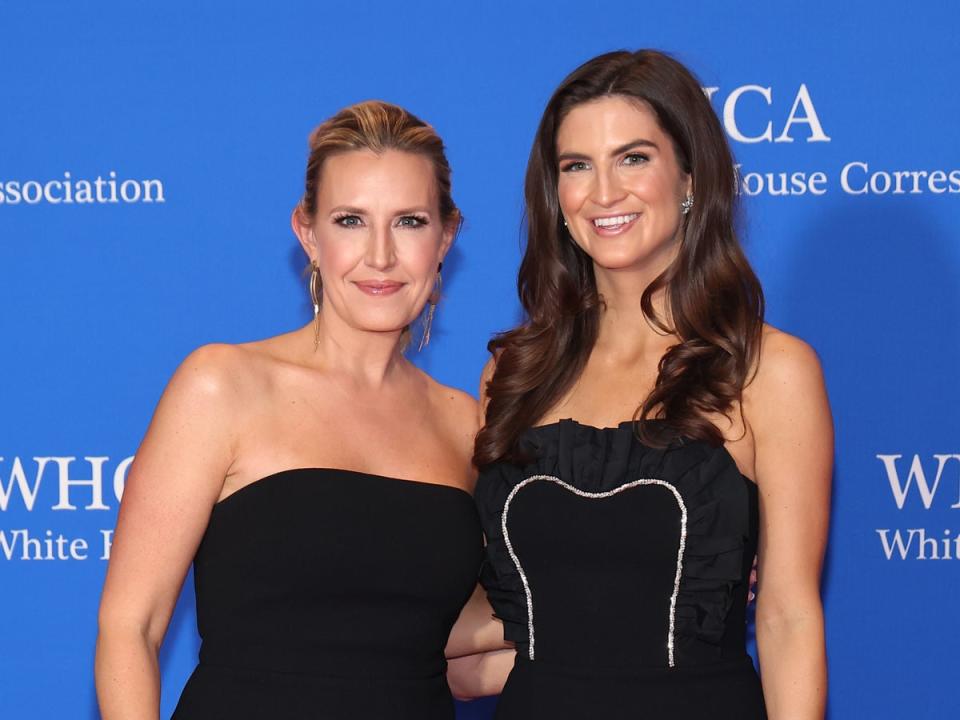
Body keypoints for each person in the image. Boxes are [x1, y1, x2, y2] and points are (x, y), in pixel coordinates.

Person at [95, 100, 499, 719]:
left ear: (446, 236)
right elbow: (132, 628)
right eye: (350, 221)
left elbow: (452, 645)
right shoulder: (221, 385)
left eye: (410, 222)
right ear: (308, 234)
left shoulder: (465, 422)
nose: (382, 255)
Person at [472, 50, 832, 719]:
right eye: (576, 166)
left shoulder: (769, 372)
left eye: (633, 158)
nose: (604, 192)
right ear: (555, 196)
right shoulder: (514, 373)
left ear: (691, 175)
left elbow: (787, 619)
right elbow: (487, 609)